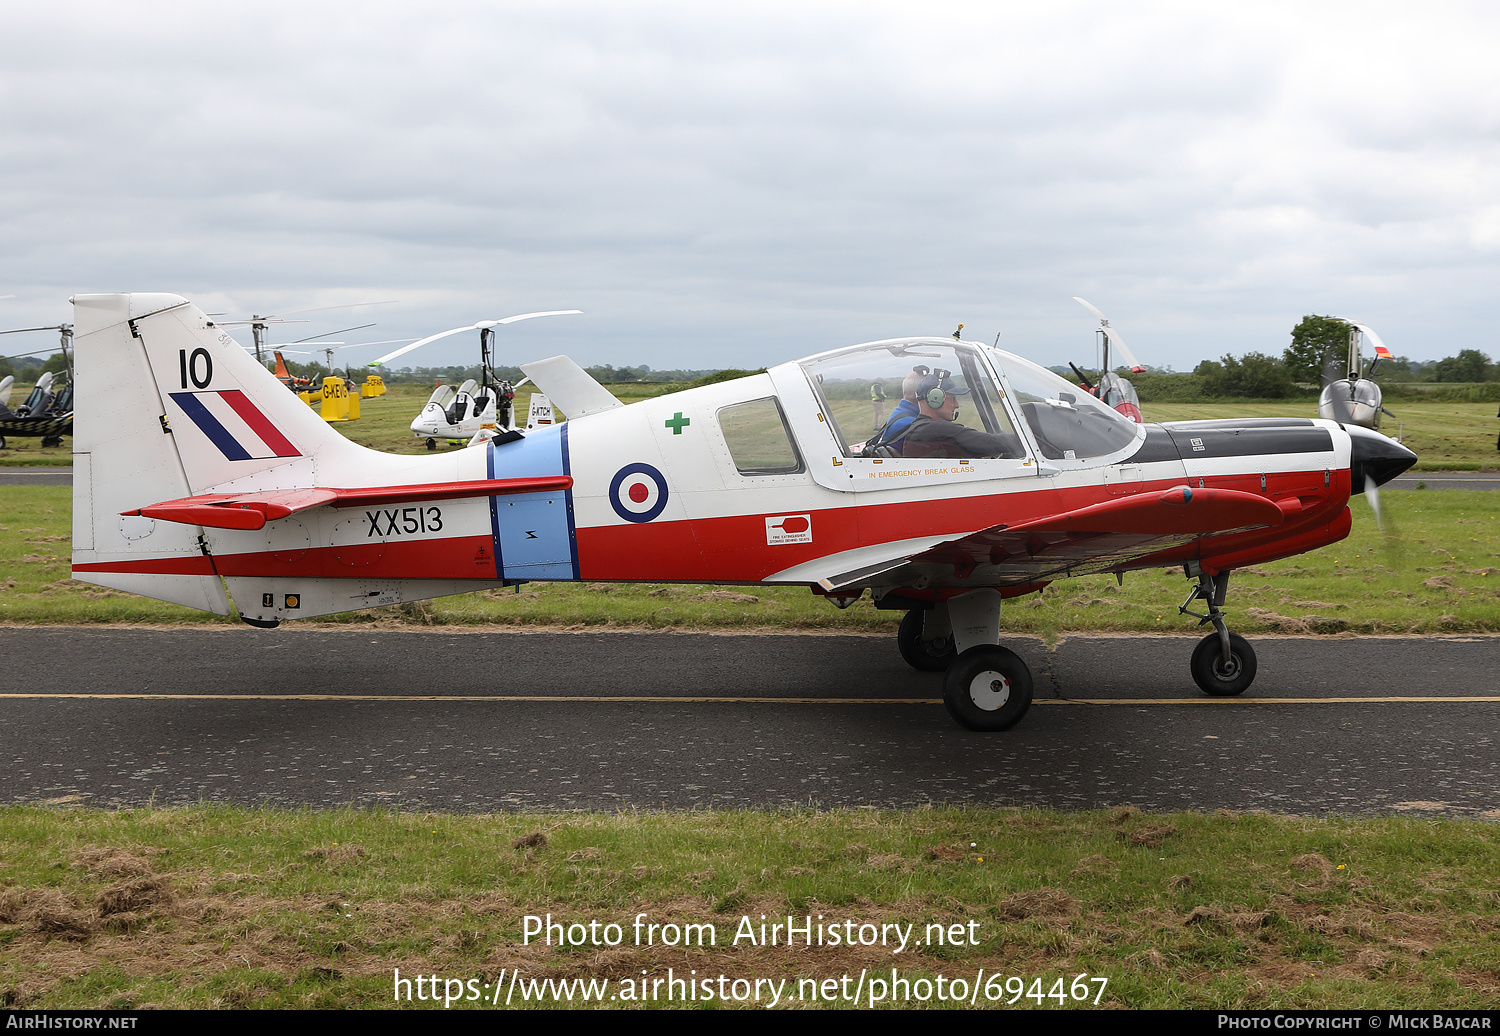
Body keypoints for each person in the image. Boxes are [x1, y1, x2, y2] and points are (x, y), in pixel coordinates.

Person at [901, 371, 1024, 459]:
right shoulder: (935, 429)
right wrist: (1028, 441)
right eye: (953, 398)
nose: (957, 405)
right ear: (935, 398)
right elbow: (988, 442)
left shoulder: (921, 427)